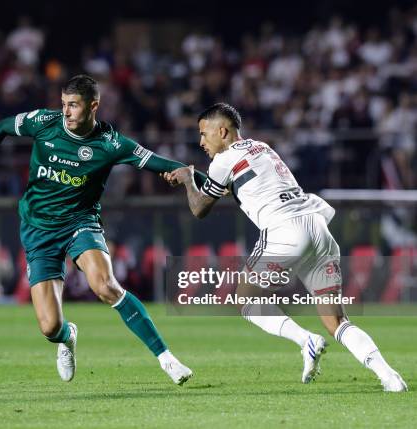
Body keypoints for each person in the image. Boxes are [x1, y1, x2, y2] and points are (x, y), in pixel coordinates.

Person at [0, 74, 205, 385]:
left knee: (105, 285)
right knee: (49, 327)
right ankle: (67, 337)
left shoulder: (111, 144)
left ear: (93, 106)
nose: (66, 112)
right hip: (37, 229)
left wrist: (207, 182)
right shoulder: (45, 122)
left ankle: (166, 358)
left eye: (73, 105)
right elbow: (2, 127)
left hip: (79, 223)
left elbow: (161, 163)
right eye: (64, 105)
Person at [164, 102, 408, 392]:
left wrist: (188, 180)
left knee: (245, 299)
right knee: (337, 320)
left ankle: (306, 340)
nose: (201, 142)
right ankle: (389, 376)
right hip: (317, 228)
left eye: (204, 134)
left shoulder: (223, 161)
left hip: (285, 230)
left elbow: (200, 208)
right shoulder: (262, 148)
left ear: (223, 130)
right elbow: (241, 185)